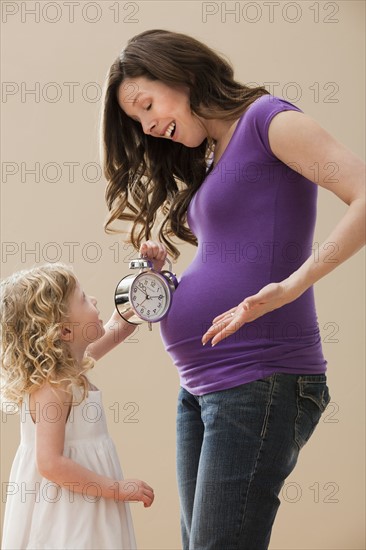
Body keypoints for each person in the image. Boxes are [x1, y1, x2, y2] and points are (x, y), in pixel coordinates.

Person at [101, 29, 366, 549]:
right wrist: (162, 281)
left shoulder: (270, 120)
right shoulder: (216, 153)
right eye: (138, 122)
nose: (150, 126)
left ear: (183, 73)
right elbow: (230, 256)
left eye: (148, 105)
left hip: (259, 377)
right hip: (203, 384)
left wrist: (292, 286)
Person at [0, 240, 166, 550]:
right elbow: (49, 463)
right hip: (67, 511)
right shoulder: (53, 387)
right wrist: (117, 488)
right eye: (83, 299)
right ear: (64, 331)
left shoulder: (73, 365)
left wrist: (150, 277)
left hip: (89, 500)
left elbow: (122, 324)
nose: (94, 299)